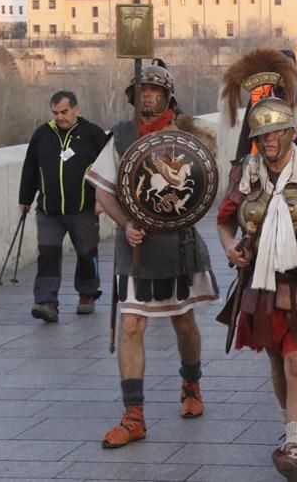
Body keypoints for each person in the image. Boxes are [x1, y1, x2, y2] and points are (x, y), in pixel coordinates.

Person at [87, 63, 220, 448]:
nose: (146, 94)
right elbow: (103, 192)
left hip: (178, 243)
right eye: (141, 89)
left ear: (167, 96)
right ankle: (134, 415)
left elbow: (203, 188)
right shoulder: (122, 135)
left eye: (153, 89)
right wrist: (125, 222)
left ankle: (191, 382)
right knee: (131, 327)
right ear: (133, 95)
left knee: (184, 325)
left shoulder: (188, 134)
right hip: (137, 247)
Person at [216, 97, 297, 480]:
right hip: (261, 281)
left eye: (274, 132)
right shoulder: (247, 171)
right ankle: (294, 428)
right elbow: (225, 221)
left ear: (292, 132)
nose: (267, 140)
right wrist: (229, 247)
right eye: (260, 134)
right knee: (277, 360)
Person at [19, 91, 108, 323]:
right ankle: (46, 302)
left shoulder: (92, 134)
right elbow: (30, 167)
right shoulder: (42, 134)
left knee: (87, 253)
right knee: (48, 255)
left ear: (76, 109)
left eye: (64, 112)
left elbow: (108, 168)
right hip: (49, 210)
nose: (59, 117)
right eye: (55, 113)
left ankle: (87, 294)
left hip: (83, 209)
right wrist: (25, 199)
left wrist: (102, 198)